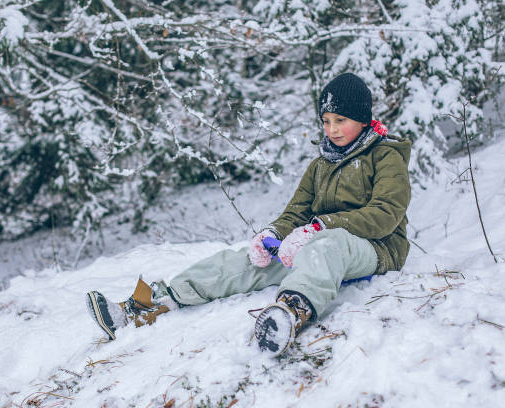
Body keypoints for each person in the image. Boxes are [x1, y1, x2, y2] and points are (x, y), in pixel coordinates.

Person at [86, 73, 411, 357]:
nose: (332, 129)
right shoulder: (320, 165)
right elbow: (296, 211)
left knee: (327, 245)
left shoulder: (385, 157)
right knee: (253, 259)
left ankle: (290, 312)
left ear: (363, 118)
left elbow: (386, 213)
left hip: (375, 248)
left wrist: (319, 227)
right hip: (316, 242)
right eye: (326, 121)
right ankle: (158, 302)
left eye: (340, 120)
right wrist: (274, 235)